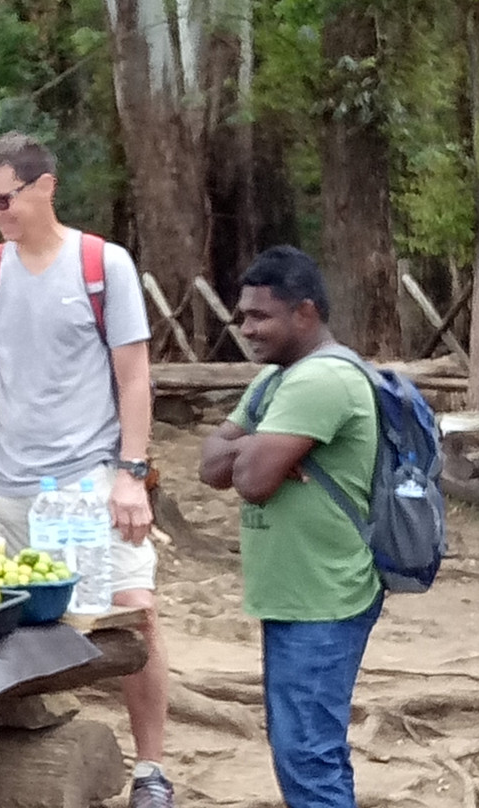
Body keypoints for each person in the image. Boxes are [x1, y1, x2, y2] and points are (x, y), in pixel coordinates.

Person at [0, 132, 173, 808]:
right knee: (8, 621)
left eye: (3, 199)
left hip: (92, 480)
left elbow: (134, 376)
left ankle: (153, 768)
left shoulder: (105, 265)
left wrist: (131, 472)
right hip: (13, 487)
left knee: (132, 613)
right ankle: (14, 754)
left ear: (44, 187)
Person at [198, 245, 383, 807]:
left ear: (305, 313)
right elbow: (210, 466)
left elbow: (250, 480)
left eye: (261, 316)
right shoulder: (277, 380)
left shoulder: (320, 380)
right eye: (243, 316)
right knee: (301, 748)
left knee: (308, 753)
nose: (246, 329)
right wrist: (269, 448)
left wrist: (254, 449)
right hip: (293, 595)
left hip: (324, 599)